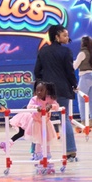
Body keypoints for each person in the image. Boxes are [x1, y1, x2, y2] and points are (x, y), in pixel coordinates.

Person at [34, 24, 78, 161]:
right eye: (64, 35)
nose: (67, 37)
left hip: (47, 90)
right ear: (57, 36)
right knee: (64, 119)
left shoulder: (43, 51)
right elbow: (69, 72)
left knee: (40, 119)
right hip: (63, 89)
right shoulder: (66, 52)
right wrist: (74, 84)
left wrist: (41, 86)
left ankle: (36, 152)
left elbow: (37, 71)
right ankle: (70, 152)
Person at [0, 80, 59, 157]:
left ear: (46, 91)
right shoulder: (35, 99)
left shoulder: (50, 98)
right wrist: (37, 107)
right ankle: (37, 154)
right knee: (35, 137)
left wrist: (51, 106)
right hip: (32, 119)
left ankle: (45, 154)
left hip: (45, 122)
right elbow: (29, 106)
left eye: (41, 90)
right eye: (37, 90)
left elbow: (56, 106)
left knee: (44, 137)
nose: (39, 92)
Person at [73, 35, 92, 130]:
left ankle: (84, 121)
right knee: (90, 100)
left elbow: (75, 66)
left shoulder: (82, 53)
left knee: (81, 100)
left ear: (83, 43)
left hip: (85, 76)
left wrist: (70, 63)